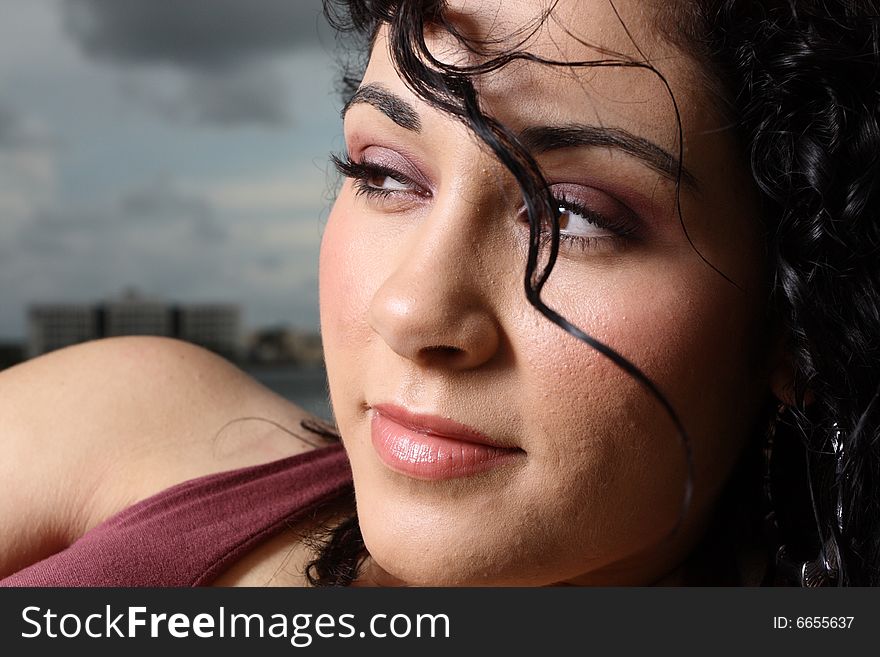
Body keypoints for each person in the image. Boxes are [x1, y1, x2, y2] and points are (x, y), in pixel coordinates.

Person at [1, 0, 878, 587]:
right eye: (384, 174)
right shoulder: (129, 424)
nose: (413, 310)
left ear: (795, 320)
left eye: (573, 214)